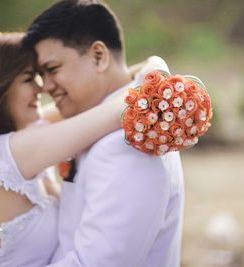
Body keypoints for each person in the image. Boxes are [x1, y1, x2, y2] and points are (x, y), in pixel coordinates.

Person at [0, 30, 138, 266]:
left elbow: (95, 98)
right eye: (29, 79)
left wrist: (151, 67)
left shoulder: (22, 136)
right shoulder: (7, 153)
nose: (42, 88)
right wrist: (159, 78)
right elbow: (113, 112)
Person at [23, 0, 185, 266]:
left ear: (99, 56)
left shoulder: (125, 143)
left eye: (52, 70)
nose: (45, 87)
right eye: (40, 75)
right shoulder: (109, 116)